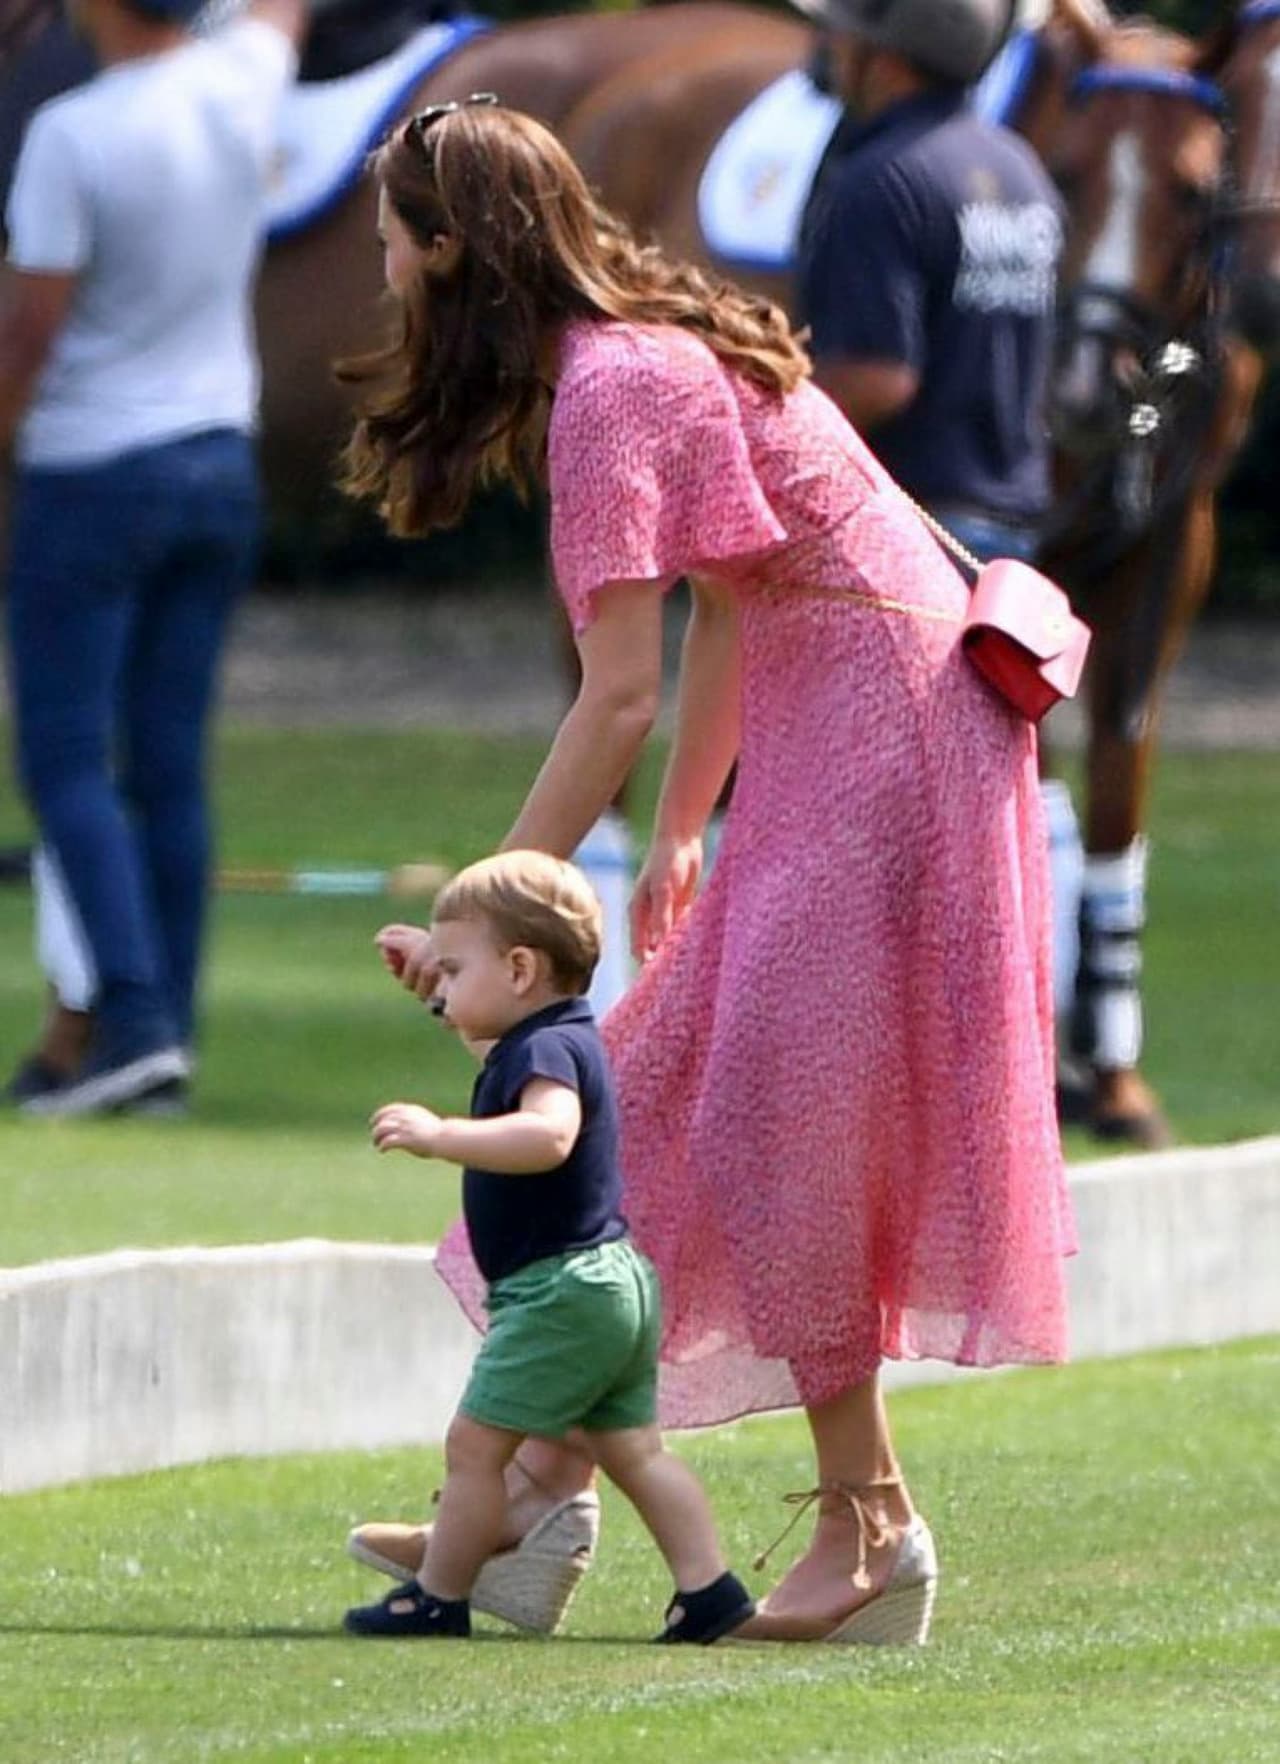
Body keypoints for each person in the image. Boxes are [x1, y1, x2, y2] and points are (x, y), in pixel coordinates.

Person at [341, 98, 1073, 1646]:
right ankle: (534, 1492)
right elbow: (737, 598)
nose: (387, 267)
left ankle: (870, 1528)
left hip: (889, 725)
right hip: (859, 711)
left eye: (396, 238)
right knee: (662, 1079)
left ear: (457, 245)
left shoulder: (608, 384)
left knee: (773, 1116)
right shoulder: (633, 349)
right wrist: (684, 826)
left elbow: (617, 689)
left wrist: (485, 911)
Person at [0, 0, 315, 1115]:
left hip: (91, 468)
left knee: (68, 760)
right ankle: (163, 1037)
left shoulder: (69, 133)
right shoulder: (243, 81)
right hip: (217, 461)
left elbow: (28, 333)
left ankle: (128, 1018)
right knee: (170, 766)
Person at [343, 849, 755, 1644]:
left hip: (560, 1288)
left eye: (455, 970)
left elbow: (550, 1135)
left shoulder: (542, 1056)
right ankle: (709, 1590)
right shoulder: (555, 1035)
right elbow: (485, 1037)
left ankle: (439, 1593)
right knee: (634, 1450)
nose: (445, 988)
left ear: (522, 968)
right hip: (613, 1281)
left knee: (474, 1447)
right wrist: (434, 969)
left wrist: (442, 1136)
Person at [793, 0, 1086, 1030]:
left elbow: (875, 377)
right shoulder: (1016, 169)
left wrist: (759, 413)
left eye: (837, 33)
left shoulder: (880, 179)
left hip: (904, 545)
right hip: (1005, 535)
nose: (823, 48)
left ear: (880, 55)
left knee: (878, 848)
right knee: (985, 826)